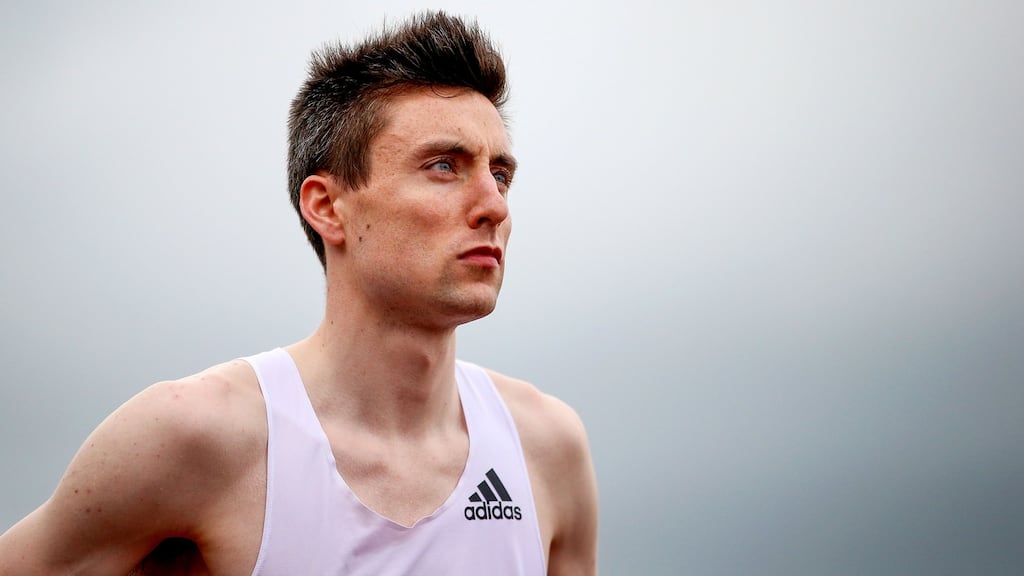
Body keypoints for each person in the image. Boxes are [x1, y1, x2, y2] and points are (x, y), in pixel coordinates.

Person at [0, 11, 598, 575]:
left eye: (500, 174)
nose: (494, 206)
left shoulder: (546, 448)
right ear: (327, 207)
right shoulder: (198, 436)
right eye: (445, 166)